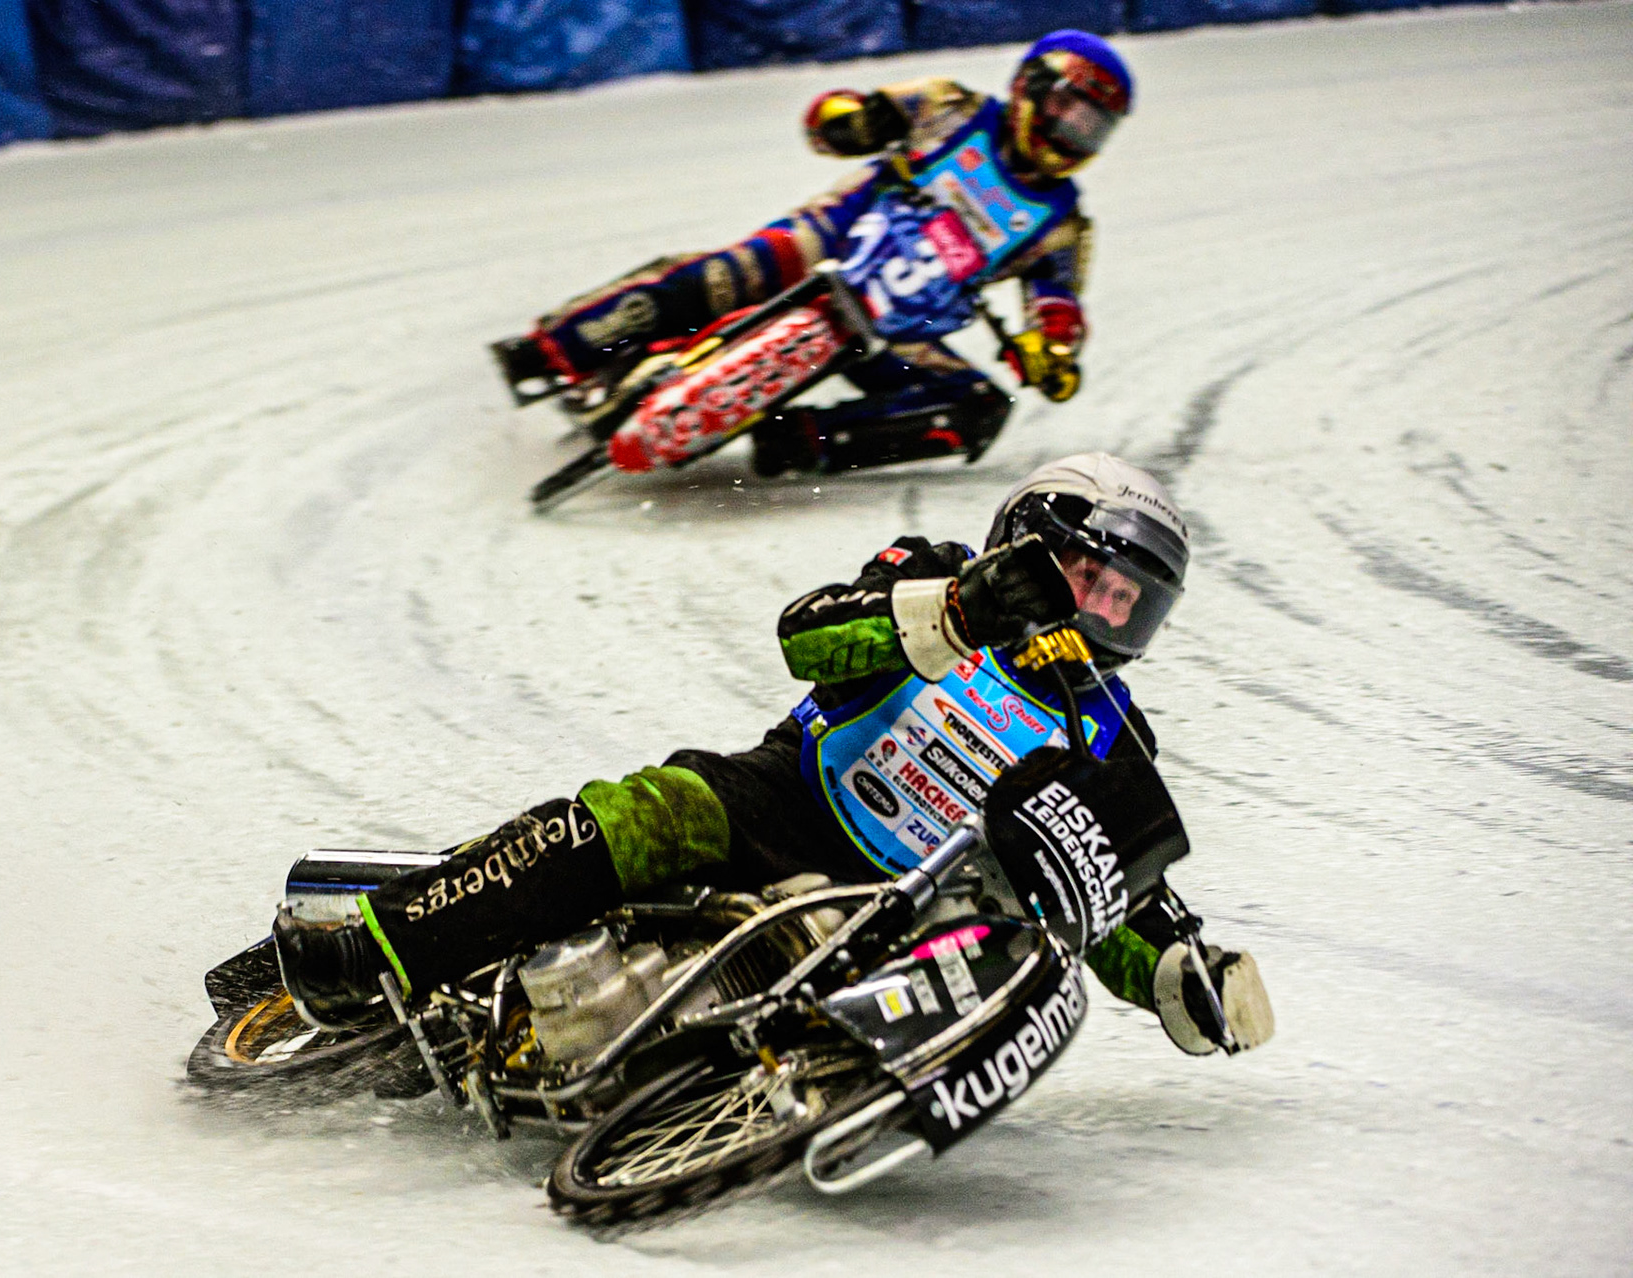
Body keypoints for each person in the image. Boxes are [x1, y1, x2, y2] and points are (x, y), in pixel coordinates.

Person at [275, 453, 1274, 1059]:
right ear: (1025, 536)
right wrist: (961, 612)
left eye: (1126, 601)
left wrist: (1177, 971)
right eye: (1086, 577)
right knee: (648, 810)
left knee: (998, 979)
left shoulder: (1111, 732)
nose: (1100, 611)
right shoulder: (931, 571)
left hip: (907, 908)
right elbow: (808, 637)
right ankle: (376, 948)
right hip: (786, 797)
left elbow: (1099, 887)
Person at [492, 30, 1134, 478]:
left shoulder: (1063, 226)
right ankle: (552, 349)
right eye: (1065, 111)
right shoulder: (949, 105)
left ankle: (798, 444)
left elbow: (1058, 303)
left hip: (899, 328)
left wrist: (1050, 349)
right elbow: (829, 123)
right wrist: (855, 120)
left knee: (979, 411)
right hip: (826, 240)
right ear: (1030, 86)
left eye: (1088, 127)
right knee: (714, 279)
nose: (1069, 134)